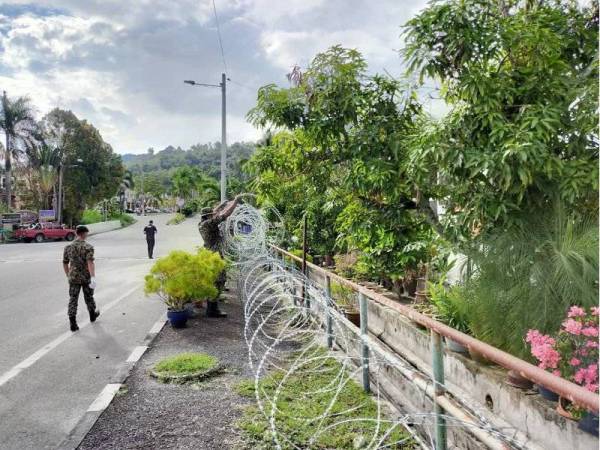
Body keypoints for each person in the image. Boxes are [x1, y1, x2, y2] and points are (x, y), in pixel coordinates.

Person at [198, 195, 242, 317]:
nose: (213, 215)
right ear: (208, 216)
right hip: (215, 255)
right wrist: (235, 203)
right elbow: (225, 214)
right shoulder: (209, 223)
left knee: (215, 280)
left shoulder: (202, 223)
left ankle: (212, 307)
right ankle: (212, 309)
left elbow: (216, 212)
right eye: (211, 215)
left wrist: (222, 204)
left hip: (209, 253)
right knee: (220, 280)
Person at [62, 225, 99, 332]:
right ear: (85, 233)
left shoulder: (68, 247)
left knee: (73, 299)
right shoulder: (88, 247)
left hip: (73, 277)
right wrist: (93, 277)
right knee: (89, 297)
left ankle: (73, 323)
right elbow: (90, 262)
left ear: (76, 233)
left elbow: (65, 263)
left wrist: (68, 275)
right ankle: (92, 315)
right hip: (86, 277)